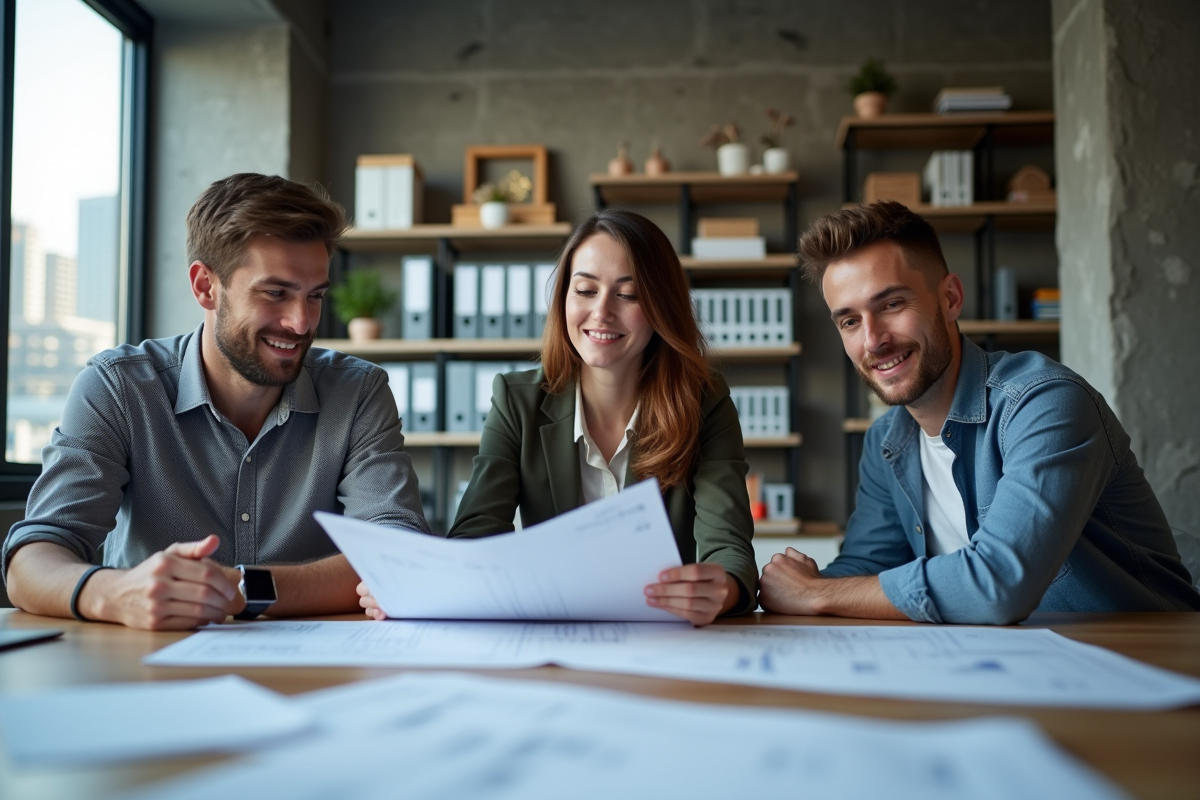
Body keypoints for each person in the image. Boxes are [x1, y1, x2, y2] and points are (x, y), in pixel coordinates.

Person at [3, 173, 429, 630]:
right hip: (146, 662)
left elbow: (396, 555)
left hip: (314, 670)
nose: (302, 322)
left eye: (315, 296)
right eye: (275, 293)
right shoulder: (119, 387)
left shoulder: (358, 392)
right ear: (206, 286)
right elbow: (34, 560)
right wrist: (112, 593)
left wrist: (236, 588)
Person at [759, 201, 1200, 623]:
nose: (873, 341)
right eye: (850, 321)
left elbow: (1000, 583)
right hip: (1013, 667)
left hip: (1145, 664)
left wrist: (815, 594)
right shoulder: (886, 441)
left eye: (891, 304)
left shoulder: (1045, 403)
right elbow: (867, 567)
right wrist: (783, 585)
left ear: (950, 298)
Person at [358, 209, 758, 625]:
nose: (601, 312)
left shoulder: (704, 400)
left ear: (661, 306)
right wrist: (423, 586)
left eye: (628, 294)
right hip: (552, 641)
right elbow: (477, 534)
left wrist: (722, 591)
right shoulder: (517, 400)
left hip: (661, 637)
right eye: (585, 290)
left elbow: (728, 548)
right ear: (563, 298)